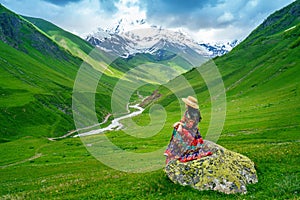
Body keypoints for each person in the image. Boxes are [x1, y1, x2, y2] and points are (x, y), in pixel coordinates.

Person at [164, 96, 212, 163]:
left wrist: (180, 124)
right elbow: (183, 120)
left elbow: (189, 126)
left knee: (178, 131)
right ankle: (173, 150)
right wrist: (179, 124)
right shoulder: (187, 112)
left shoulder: (193, 114)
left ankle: (176, 151)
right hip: (187, 129)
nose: (185, 104)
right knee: (177, 129)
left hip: (192, 132)